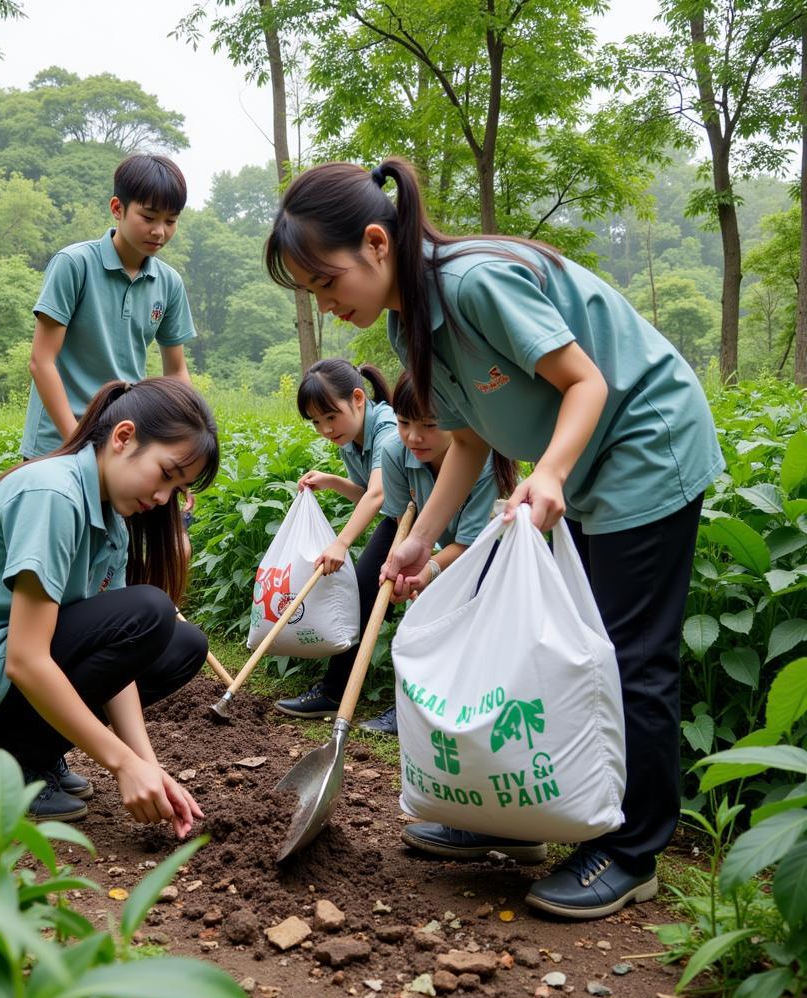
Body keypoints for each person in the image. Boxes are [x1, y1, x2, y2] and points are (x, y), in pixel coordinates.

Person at [264, 157, 723, 920]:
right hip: (577, 465)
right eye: (312, 292)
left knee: (624, 652)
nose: (326, 303)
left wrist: (548, 473)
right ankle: (519, 818)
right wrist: (423, 539)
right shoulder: (413, 317)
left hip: (644, 446)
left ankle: (631, 849)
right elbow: (470, 437)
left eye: (326, 282)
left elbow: (588, 383)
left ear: (376, 242)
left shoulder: (475, 283)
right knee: (541, 641)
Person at [0, 378, 218, 828]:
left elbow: (121, 663)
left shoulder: (112, 521)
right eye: (167, 474)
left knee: (182, 644)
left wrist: (147, 764)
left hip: (2, 662)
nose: (162, 498)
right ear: (123, 437)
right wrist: (121, 764)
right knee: (150, 612)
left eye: (177, 490)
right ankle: (13, 763)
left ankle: (17, 751)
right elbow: (26, 659)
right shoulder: (52, 495)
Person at [362, 371, 514, 737]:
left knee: (472, 625)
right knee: (417, 619)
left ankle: (472, 711)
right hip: (429, 543)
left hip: (489, 551)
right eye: (404, 422)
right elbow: (404, 523)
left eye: (430, 425)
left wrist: (430, 568)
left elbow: (472, 543)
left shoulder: (485, 460)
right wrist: (415, 567)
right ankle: (410, 708)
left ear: (457, 420)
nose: (415, 436)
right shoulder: (395, 452)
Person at [21, 153, 197, 460]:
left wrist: (182, 446)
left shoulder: (168, 283)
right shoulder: (74, 265)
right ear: (118, 208)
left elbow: (176, 373)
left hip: (122, 442)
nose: (160, 231)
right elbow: (41, 361)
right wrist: (76, 444)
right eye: (149, 217)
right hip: (56, 442)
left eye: (171, 221)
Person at [274, 358, 399, 719]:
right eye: (316, 422)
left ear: (358, 398)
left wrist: (341, 543)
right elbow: (371, 493)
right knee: (361, 596)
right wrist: (330, 480)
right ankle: (333, 692)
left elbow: (377, 495)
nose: (326, 429)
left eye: (331, 416)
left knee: (423, 607)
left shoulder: (388, 429)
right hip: (400, 518)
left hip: (435, 523)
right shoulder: (351, 438)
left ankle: (409, 708)